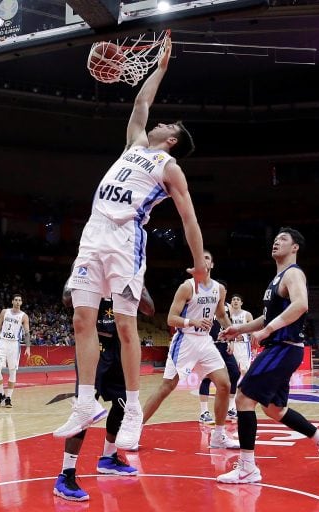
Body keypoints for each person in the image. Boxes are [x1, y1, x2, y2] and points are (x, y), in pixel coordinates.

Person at [55, 36, 207, 451]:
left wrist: (200, 265)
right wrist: (159, 68)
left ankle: (135, 407)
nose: (159, 122)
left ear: (172, 139)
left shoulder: (170, 167)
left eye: (167, 125)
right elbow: (141, 106)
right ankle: (85, 402)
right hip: (94, 233)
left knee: (124, 325)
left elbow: (188, 217)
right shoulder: (136, 143)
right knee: (81, 321)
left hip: (126, 240)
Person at [217, 228, 319, 484]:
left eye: (283, 239)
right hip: (282, 348)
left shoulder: (294, 274)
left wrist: (268, 330)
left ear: (295, 247)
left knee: (242, 398)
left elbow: (302, 305)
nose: (276, 241)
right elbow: (267, 317)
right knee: (275, 410)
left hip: (283, 347)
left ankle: (247, 468)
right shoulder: (275, 280)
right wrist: (238, 329)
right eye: (275, 239)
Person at [54, 284, 155, 502]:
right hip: (94, 344)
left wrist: (133, 286)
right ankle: (66, 474)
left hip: (120, 347)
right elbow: (66, 298)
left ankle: (108, 458)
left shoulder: (127, 268)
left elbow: (149, 309)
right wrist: (95, 284)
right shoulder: (88, 262)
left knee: (122, 403)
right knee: (85, 408)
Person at [141, 250, 239, 450]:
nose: (203, 261)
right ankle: (135, 429)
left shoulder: (219, 289)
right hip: (185, 340)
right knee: (166, 387)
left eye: (207, 258)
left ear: (212, 264)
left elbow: (220, 314)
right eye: (199, 259)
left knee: (224, 384)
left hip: (205, 341)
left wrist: (230, 332)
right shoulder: (187, 287)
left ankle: (218, 436)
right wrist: (192, 321)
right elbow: (171, 318)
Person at [198, 281, 239, 425]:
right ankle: (204, 412)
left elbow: (229, 326)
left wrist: (232, 342)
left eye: (225, 291)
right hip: (208, 345)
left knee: (235, 373)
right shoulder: (205, 303)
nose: (222, 293)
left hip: (223, 345)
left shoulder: (227, 307)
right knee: (206, 378)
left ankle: (231, 407)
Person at [0, 293, 31, 408]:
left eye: (19, 300)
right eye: (16, 300)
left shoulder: (24, 316)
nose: (17, 302)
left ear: (21, 303)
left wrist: (28, 347)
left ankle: (8, 398)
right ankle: (1, 393)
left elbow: (27, 333)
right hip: (3, 342)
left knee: (12, 371)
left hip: (14, 345)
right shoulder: (4, 312)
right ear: (12, 301)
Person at [229, 293, 254, 379]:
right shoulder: (227, 315)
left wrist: (254, 347)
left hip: (243, 345)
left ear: (241, 303)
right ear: (231, 302)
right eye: (234, 299)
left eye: (238, 299)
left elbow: (253, 331)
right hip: (231, 345)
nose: (235, 301)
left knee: (245, 370)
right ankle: (232, 390)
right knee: (232, 370)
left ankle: (247, 390)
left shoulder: (247, 314)